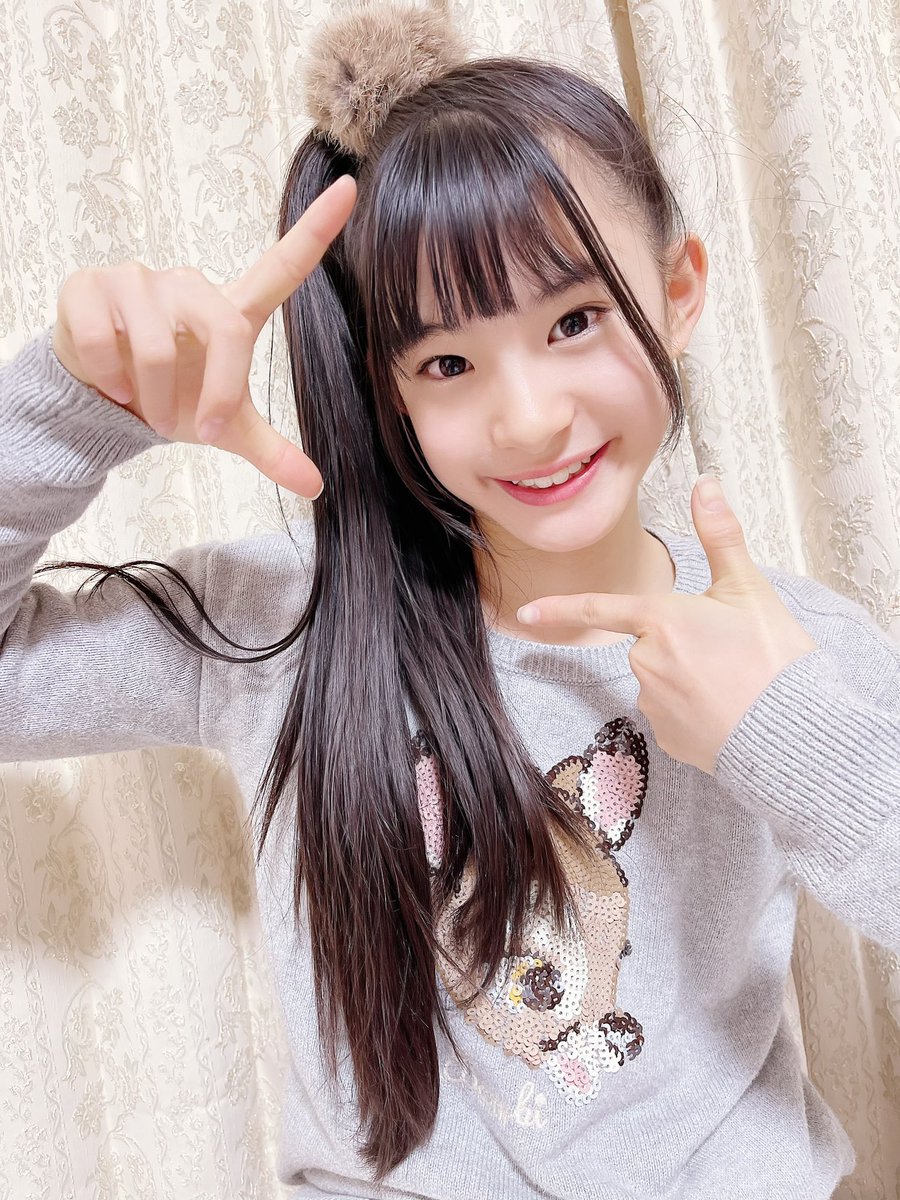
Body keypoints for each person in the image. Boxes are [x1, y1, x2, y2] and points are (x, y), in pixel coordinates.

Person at [1, 3, 898, 1197]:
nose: (528, 417)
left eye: (575, 319)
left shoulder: (792, 644)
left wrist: (787, 736)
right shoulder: (287, 625)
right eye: (447, 362)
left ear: (678, 291)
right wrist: (72, 408)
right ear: (389, 391)